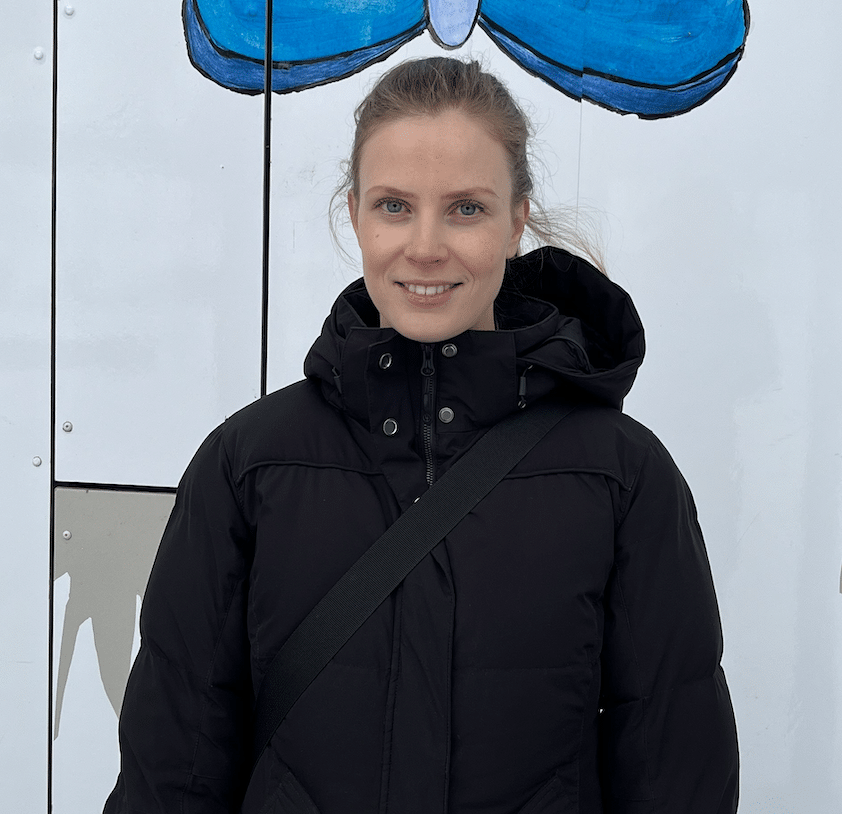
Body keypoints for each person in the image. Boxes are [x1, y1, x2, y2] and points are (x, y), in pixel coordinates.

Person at [104, 57, 738, 814]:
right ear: (356, 215)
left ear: (516, 221)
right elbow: (171, 770)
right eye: (395, 207)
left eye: (466, 208)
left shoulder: (622, 477)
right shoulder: (249, 466)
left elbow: (675, 770)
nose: (426, 246)